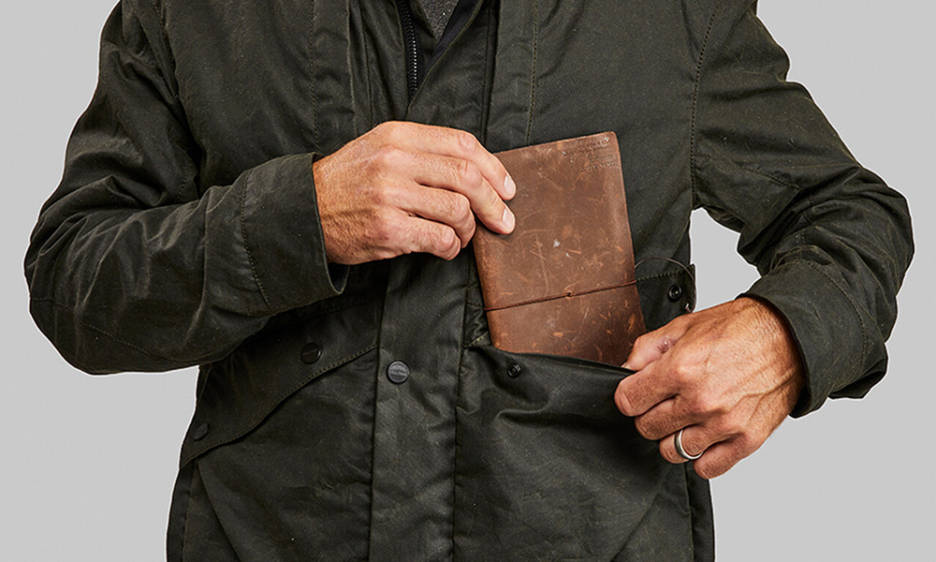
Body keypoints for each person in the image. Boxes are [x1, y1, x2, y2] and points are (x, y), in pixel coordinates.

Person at [24, 0, 913, 560]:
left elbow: (847, 212)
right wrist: (301, 216)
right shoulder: (192, 13)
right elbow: (74, 277)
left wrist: (784, 336)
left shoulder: (670, 15)